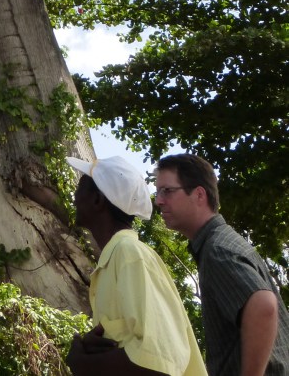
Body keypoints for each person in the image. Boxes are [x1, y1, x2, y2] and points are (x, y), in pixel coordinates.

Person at [66, 155, 207, 376]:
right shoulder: (115, 259)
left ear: (97, 200)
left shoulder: (129, 255)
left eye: (81, 185)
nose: (75, 194)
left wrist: (83, 363)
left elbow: (160, 361)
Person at [155, 153, 289, 376]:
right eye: (158, 192)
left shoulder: (217, 250)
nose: (158, 200)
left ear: (199, 195)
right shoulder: (223, 241)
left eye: (167, 191)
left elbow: (264, 305)